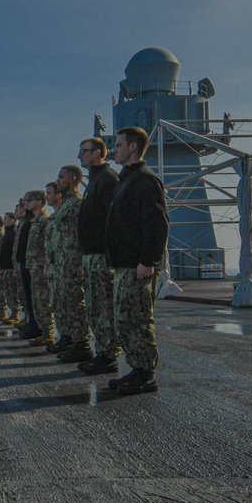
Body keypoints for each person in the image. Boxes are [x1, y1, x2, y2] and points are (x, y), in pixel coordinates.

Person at [105, 126, 170, 395]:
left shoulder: (145, 180)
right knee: (124, 319)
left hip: (137, 265)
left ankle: (146, 374)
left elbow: (157, 223)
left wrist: (148, 260)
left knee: (138, 319)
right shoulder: (127, 180)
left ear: (132, 147)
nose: (114, 150)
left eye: (119, 145)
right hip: (124, 264)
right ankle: (136, 368)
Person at [76, 137, 121, 375]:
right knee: (94, 308)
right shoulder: (95, 180)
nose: (80, 156)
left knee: (104, 308)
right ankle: (101, 352)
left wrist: (108, 254)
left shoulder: (108, 178)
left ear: (97, 153)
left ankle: (108, 355)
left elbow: (113, 220)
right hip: (91, 255)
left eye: (84, 151)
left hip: (102, 256)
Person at [50, 164, 91, 363]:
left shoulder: (77, 203)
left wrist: (81, 262)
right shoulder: (65, 204)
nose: (58, 180)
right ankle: (68, 338)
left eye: (61, 177)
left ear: (73, 179)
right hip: (61, 263)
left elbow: (83, 232)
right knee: (64, 302)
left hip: (73, 262)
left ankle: (82, 343)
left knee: (75, 303)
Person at [24, 189, 53, 346]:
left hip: (41, 267)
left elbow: (48, 245)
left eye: (29, 200)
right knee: (36, 300)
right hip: (33, 267)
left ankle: (48, 333)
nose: (26, 203)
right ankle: (42, 331)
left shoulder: (44, 221)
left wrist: (46, 265)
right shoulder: (34, 221)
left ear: (39, 202)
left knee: (43, 300)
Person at [14, 200, 40, 338]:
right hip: (25, 263)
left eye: (27, 202)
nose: (25, 205)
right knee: (28, 297)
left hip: (32, 264)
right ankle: (32, 323)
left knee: (35, 298)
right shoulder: (25, 223)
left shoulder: (33, 221)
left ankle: (36, 327)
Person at [0, 211, 20, 324]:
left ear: (13, 220)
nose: (4, 221)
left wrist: (14, 267)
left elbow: (14, 252)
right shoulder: (7, 234)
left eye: (6, 219)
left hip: (11, 268)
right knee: (9, 292)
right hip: (5, 268)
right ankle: (13, 314)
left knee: (13, 292)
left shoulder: (14, 233)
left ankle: (15, 314)